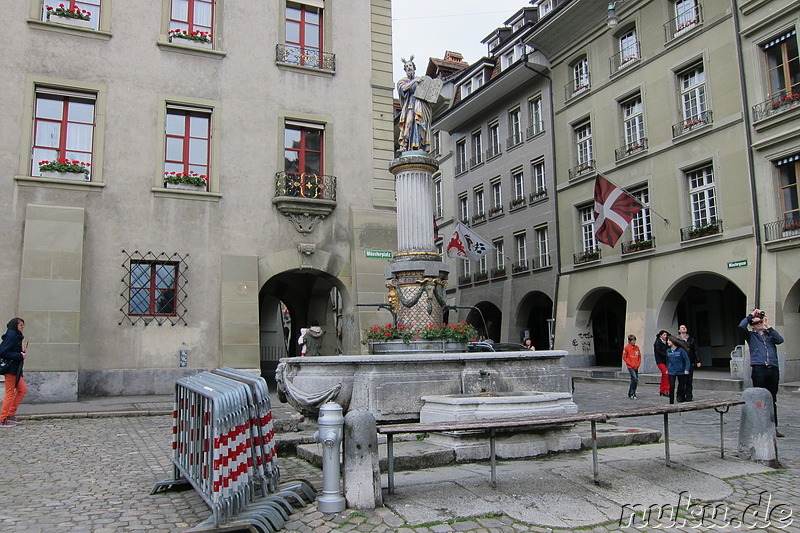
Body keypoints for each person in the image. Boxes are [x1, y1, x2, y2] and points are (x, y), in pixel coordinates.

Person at [738, 308, 785, 437]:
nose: (758, 325)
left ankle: (773, 427)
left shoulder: (770, 335)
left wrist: (768, 326)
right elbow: (741, 326)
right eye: (756, 323)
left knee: (772, 398)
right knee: (759, 397)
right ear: (752, 326)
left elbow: (780, 340)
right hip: (759, 369)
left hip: (772, 368)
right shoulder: (751, 336)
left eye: (760, 322)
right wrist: (751, 316)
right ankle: (759, 426)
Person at [397, 57, 433, 152]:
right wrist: (414, 81)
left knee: (419, 124)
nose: (409, 67)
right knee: (408, 123)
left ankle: (419, 145)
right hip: (410, 104)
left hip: (420, 104)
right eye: (407, 66)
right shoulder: (403, 81)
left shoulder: (421, 80)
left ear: (414, 68)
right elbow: (403, 89)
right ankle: (404, 145)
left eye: (410, 66)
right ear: (405, 70)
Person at [0, 317, 27, 428]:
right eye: (20, 325)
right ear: (15, 326)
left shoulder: (16, 336)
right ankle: (2, 418)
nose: (22, 327)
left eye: (23, 325)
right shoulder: (11, 335)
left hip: (15, 369)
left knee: (22, 390)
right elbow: (2, 351)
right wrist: (19, 355)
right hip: (10, 369)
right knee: (10, 393)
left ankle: (10, 414)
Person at [666, 335, 691, 405]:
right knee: (671, 386)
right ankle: (671, 401)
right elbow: (667, 361)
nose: (667, 342)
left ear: (673, 342)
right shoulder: (668, 351)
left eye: (669, 340)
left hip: (680, 371)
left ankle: (681, 398)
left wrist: (686, 369)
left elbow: (687, 360)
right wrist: (667, 368)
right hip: (671, 371)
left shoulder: (681, 350)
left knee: (682, 385)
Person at [678, 324, 700, 402]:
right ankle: (680, 395)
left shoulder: (691, 340)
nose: (684, 328)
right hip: (681, 362)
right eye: (682, 327)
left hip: (690, 361)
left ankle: (689, 396)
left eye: (685, 327)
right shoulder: (677, 340)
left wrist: (698, 360)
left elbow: (695, 350)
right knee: (682, 380)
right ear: (679, 330)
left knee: (689, 380)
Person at [622, 334, 641, 399]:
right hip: (630, 366)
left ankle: (632, 392)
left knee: (635, 380)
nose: (634, 342)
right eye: (633, 340)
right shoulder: (627, 348)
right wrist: (630, 364)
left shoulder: (637, 348)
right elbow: (624, 357)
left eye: (634, 340)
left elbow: (639, 356)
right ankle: (632, 393)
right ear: (629, 341)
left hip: (636, 366)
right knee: (634, 378)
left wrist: (638, 364)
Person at [653, 330, 670, 397]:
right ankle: (666, 390)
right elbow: (659, 352)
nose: (665, 336)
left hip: (665, 361)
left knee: (664, 375)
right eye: (664, 335)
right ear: (660, 336)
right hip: (660, 361)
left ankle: (662, 390)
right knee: (666, 374)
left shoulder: (666, 343)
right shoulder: (657, 343)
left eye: (666, 335)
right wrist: (667, 354)